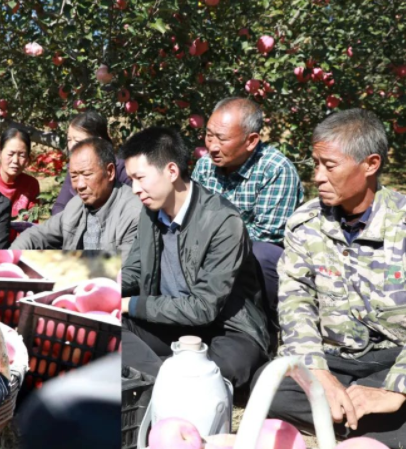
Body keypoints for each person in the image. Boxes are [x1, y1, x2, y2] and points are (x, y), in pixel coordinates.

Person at [253, 109, 406, 448]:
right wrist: (319, 374)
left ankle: (352, 418)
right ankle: (372, 424)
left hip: (396, 357)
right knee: (271, 387)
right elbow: (296, 303)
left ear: (371, 164)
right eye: (316, 164)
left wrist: (395, 389)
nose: (318, 176)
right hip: (338, 358)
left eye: (330, 165)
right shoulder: (305, 224)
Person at [119, 127, 269, 392]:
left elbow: (203, 307)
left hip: (224, 329)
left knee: (228, 367)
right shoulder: (151, 211)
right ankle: (168, 379)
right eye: (131, 179)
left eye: (140, 178)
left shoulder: (223, 222)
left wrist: (132, 304)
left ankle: (158, 378)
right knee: (108, 325)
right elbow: (134, 269)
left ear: (171, 171)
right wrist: (105, 286)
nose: (134, 189)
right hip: (170, 321)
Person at [192, 98, 304, 334]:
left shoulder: (275, 169)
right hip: (212, 244)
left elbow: (268, 233)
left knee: (261, 255)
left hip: (255, 250)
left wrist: (217, 242)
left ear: (251, 141)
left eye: (222, 139)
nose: (212, 146)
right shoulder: (204, 166)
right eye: (209, 136)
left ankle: (268, 324)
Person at [11, 137, 140, 259]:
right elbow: (35, 235)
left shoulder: (133, 213)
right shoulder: (75, 205)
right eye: (74, 177)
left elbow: (126, 267)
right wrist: (12, 257)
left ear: (110, 172)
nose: (80, 185)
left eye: (87, 174)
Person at [51, 111, 131, 215]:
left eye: (78, 141)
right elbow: (60, 207)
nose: (71, 146)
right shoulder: (75, 170)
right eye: (69, 140)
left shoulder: (122, 170)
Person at [0, 127, 40, 220]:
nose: (15, 161)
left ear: (28, 158)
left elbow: (32, 221)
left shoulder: (31, 185)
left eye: (22, 155)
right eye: (10, 154)